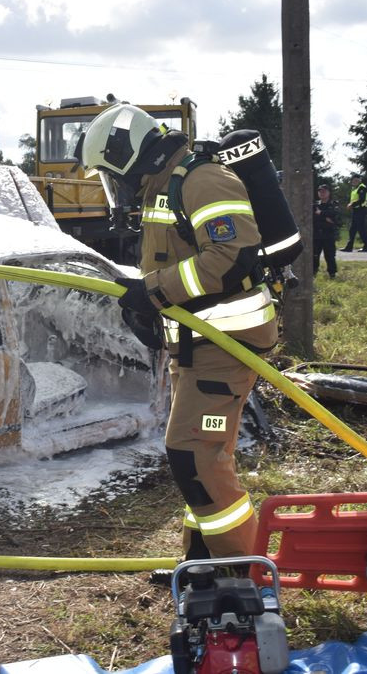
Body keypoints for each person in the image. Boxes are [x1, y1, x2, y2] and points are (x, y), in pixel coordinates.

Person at [75, 105, 278, 560]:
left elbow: (230, 257)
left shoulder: (203, 180)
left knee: (194, 453)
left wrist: (154, 293)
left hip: (228, 342)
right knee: (204, 453)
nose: (114, 187)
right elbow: (175, 263)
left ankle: (239, 572)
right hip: (196, 344)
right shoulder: (163, 187)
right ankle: (202, 563)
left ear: (127, 156)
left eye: (111, 174)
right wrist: (151, 309)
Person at [312, 184, 339, 278]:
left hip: (329, 234)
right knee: (314, 255)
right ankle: (313, 272)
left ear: (329, 192)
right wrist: (326, 217)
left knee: (330, 255)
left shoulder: (333, 204)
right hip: (317, 234)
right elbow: (313, 218)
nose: (322, 193)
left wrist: (321, 213)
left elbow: (335, 217)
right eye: (320, 191)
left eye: (324, 191)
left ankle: (332, 273)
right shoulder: (315, 205)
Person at [341, 172, 367, 253]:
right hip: (356, 210)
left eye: (357, 180)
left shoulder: (362, 188)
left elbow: (362, 199)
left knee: (361, 229)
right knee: (353, 229)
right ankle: (349, 247)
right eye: (354, 180)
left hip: (361, 210)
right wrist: (352, 205)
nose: (355, 181)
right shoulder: (355, 189)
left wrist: (352, 204)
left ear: (360, 180)